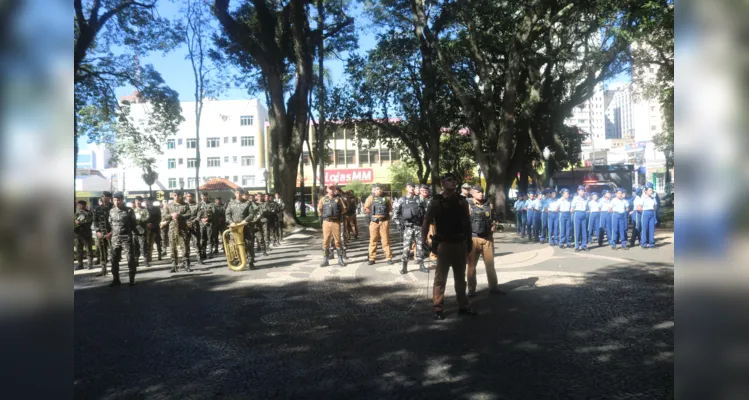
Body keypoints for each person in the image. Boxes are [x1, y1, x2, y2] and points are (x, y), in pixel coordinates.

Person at [421, 173, 477, 320]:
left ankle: (463, 305)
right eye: (449, 180)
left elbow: (467, 223)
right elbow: (426, 221)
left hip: (459, 243)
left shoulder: (462, 201)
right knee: (440, 278)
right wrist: (423, 241)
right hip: (444, 244)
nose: (453, 182)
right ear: (443, 184)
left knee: (460, 278)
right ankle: (438, 308)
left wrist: (469, 241)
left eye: (454, 180)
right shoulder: (436, 202)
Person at [466, 186, 505, 297]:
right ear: (473, 194)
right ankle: (471, 290)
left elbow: (493, 219)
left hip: (488, 239)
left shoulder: (489, 205)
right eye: (478, 192)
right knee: (471, 266)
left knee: (490, 265)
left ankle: (493, 287)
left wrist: (494, 226)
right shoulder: (468, 205)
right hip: (473, 239)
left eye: (482, 192)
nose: (481, 194)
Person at [394, 182, 427, 274]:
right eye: (409, 187)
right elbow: (395, 214)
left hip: (418, 226)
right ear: (406, 188)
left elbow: (425, 213)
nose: (412, 188)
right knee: (406, 247)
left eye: (413, 187)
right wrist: (398, 223)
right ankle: (404, 267)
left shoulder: (419, 200)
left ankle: (421, 265)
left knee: (420, 246)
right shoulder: (402, 200)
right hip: (408, 227)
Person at [107, 192, 137, 287]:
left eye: (118, 200)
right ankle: (116, 279)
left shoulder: (128, 211)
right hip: (115, 238)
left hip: (126, 238)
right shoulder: (111, 211)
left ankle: (131, 279)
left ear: (122, 200)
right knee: (114, 259)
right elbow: (110, 223)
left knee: (130, 258)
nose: (117, 202)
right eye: (115, 200)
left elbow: (133, 224)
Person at [225, 187, 259, 269]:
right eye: (237, 193)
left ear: (242, 194)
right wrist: (231, 222)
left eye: (240, 193)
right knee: (234, 243)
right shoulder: (230, 203)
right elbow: (227, 214)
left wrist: (245, 220)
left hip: (245, 226)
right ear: (235, 194)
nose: (238, 194)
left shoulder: (247, 203)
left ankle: (250, 262)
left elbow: (251, 214)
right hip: (235, 227)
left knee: (249, 244)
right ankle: (236, 261)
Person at [364, 183, 394, 265]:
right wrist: (372, 216)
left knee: (385, 240)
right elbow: (366, 208)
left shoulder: (387, 198)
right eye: (377, 189)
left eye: (380, 189)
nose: (379, 190)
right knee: (373, 240)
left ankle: (388, 257)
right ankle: (372, 258)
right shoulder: (371, 198)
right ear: (374, 190)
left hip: (384, 221)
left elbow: (390, 209)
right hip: (374, 222)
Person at [317, 185, 347, 267]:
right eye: (330, 189)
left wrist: (339, 216)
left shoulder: (338, 199)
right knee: (326, 241)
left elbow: (344, 209)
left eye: (333, 189)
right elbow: (319, 209)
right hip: (326, 222)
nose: (332, 190)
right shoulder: (323, 199)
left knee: (338, 241)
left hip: (336, 222)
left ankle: (340, 259)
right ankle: (325, 260)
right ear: (327, 189)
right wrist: (322, 218)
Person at [93, 191, 114, 277]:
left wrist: (111, 232)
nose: (104, 198)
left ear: (109, 198)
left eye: (105, 196)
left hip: (112, 234)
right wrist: (97, 231)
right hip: (101, 234)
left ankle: (114, 269)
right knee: (102, 252)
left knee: (113, 252)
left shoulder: (113, 208)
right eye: (102, 196)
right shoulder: (97, 208)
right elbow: (95, 221)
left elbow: (116, 222)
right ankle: (104, 269)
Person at [184, 192, 205, 265]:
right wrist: (186, 222)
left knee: (196, 242)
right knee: (185, 243)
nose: (189, 198)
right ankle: (186, 260)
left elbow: (199, 215)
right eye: (187, 196)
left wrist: (193, 222)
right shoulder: (184, 205)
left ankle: (199, 259)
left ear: (192, 197)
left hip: (195, 225)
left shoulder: (197, 205)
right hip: (185, 226)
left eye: (190, 196)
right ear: (185, 197)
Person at [132, 196, 152, 268]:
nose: (138, 202)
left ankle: (146, 261)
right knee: (135, 246)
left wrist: (139, 220)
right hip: (134, 231)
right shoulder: (132, 210)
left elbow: (147, 218)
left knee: (143, 246)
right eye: (136, 201)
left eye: (139, 201)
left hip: (142, 231)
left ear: (141, 201)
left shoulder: (145, 210)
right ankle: (136, 261)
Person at [74, 200, 94, 270]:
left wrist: (78, 222)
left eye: (81, 205)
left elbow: (87, 220)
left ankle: (90, 264)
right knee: (79, 250)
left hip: (86, 234)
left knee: (88, 249)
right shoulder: (77, 213)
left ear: (85, 205)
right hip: (78, 234)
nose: (79, 206)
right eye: (78, 205)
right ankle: (80, 264)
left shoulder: (89, 213)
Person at [639, 183, 657, 248]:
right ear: (646, 191)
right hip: (645, 212)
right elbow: (639, 207)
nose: (651, 191)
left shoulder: (653, 198)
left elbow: (655, 206)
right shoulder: (643, 197)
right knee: (644, 229)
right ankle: (644, 243)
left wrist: (654, 210)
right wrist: (644, 212)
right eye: (649, 190)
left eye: (651, 190)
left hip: (652, 213)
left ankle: (652, 243)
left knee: (652, 229)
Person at [571, 185, 589, 251]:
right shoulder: (575, 199)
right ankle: (577, 246)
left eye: (583, 191)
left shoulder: (585, 199)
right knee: (577, 230)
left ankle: (584, 245)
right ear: (578, 191)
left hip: (583, 214)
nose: (582, 192)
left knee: (584, 231)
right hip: (577, 214)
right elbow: (572, 208)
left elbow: (587, 208)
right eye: (581, 191)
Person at [198, 192, 214, 258]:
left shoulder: (211, 204)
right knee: (202, 239)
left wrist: (208, 219)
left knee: (210, 238)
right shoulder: (199, 204)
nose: (203, 197)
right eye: (202, 196)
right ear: (200, 197)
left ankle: (210, 253)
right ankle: (203, 253)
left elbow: (214, 214)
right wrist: (201, 220)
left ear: (207, 196)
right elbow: (196, 214)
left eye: (205, 196)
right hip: (201, 224)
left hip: (209, 224)